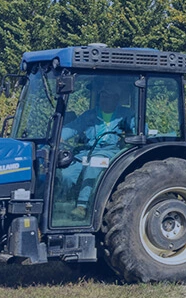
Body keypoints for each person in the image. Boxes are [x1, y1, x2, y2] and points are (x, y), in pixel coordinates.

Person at [56, 82, 138, 223]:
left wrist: (133, 133)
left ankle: (82, 206)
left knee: (94, 165)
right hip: (87, 151)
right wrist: (58, 137)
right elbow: (74, 127)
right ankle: (63, 202)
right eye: (102, 96)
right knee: (67, 172)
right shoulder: (90, 115)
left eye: (108, 96)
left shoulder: (125, 115)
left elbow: (138, 128)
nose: (104, 99)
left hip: (110, 151)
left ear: (116, 99)